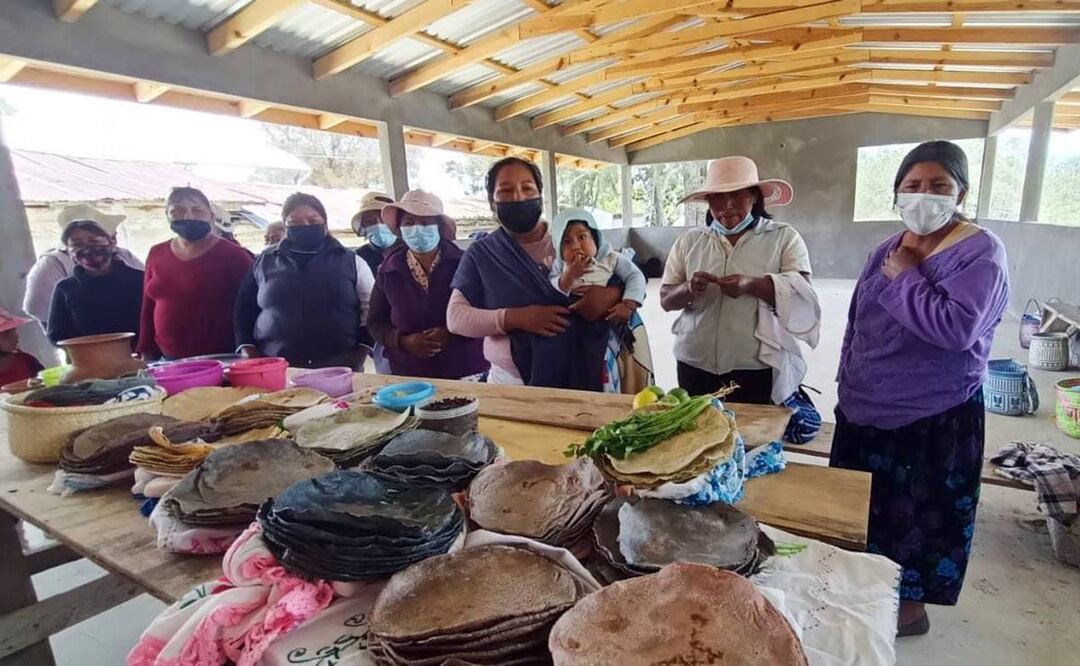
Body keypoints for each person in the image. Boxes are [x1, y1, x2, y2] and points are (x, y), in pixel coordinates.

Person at [831, 141, 1009, 637]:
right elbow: (858, 322)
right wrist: (848, 376)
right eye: (912, 186)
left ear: (961, 193)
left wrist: (909, 277)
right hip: (866, 406)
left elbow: (957, 330)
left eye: (938, 187)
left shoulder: (980, 252)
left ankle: (908, 612)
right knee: (864, 509)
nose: (923, 197)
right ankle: (864, 591)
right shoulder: (884, 249)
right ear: (896, 194)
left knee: (917, 516)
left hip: (933, 414)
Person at [448, 157, 623, 391]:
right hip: (510, 383)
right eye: (506, 191)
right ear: (492, 202)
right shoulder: (483, 254)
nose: (518, 197)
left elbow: (624, 275)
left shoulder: (573, 240)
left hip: (584, 371)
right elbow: (456, 318)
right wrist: (517, 318)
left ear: (540, 195)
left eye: (527, 188)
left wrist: (612, 294)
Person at [659, 156, 816, 406]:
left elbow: (802, 296)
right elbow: (666, 300)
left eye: (737, 195)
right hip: (694, 363)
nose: (727, 206)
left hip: (754, 367)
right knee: (699, 436)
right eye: (717, 198)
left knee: (752, 439)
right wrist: (689, 288)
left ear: (754, 196)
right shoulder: (690, 241)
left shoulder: (782, 238)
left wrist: (751, 285)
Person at [235, 192, 375, 370]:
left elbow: (370, 310)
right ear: (285, 225)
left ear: (324, 223)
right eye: (295, 222)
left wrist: (360, 354)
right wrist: (249, 351)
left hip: (341, 366)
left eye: (312, 220)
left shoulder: (352, 261)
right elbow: (243, 310)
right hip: (277, 367)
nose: (305, 226)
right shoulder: (264, 261)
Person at [365, 190, 487, 380]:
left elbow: (484, 311)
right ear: (400, 229)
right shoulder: (388, 270)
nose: (416, 229)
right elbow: (375, 322)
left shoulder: (466, 263)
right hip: (410, 373)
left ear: (438, 227)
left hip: (466, 369)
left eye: (425, 222)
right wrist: (404, 342)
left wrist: (451, 334)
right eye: (409, 223)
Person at [137, 187, 254, 361]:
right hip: (169, 360)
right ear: (167, 216)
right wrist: (146, 350)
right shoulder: (156, 253)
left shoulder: (234, 255)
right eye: (178, 211)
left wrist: (250, 350)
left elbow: (250, 307)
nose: (188, 216)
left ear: (211, 216)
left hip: (223, 358)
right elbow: (149, 305)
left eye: (197, 210)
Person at [22, 204, 143, 331]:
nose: (115, 235)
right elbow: (40, 311)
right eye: (79, 242)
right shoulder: (52, 265)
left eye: (95, 241)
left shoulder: (123, 255)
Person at [46, 219, 144, 345]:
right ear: (69, 253)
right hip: (89, 361)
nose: (87, 248)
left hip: (143, 358)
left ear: (112, 244)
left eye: (94, 241)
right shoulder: (65, 288)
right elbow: (57, 335)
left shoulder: (139, 279)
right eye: (77, 244)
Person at [351, 191, 398, 275]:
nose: (378, 225)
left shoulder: (413, 252)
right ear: (363, 226)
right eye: (370, 221)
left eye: (384, 219)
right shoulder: (357, 258)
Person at [0, 307, 44, 388]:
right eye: (7, 333)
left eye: (14, 330)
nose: (15, 336)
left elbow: (44, 384)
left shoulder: (27, 360)